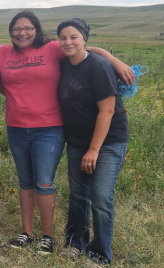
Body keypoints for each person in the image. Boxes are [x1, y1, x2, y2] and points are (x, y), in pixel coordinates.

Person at [0, 10, 135, 254]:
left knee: (44, 183)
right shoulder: (0, 52)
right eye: (17, 29)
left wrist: (115, 60)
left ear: (36, 30)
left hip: (49, 128)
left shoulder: (51, 48)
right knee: (25, 182)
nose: (22, 33)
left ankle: (47, 236)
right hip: (16, 126)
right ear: (10, 32)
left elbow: (85, 50)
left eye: (27, 28)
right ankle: (26, 232)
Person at [56, 18, 129, 267]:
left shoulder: (99, 68)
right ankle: (75, 243)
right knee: (78, 194)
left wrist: (94, 149)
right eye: (63, 37)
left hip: (107, 142)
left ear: (84, 38)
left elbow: (107, 111)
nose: (68, 42)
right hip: (77, 141)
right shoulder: (64, 64)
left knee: (99, 197)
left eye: (74, 37)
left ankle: (99, 254)